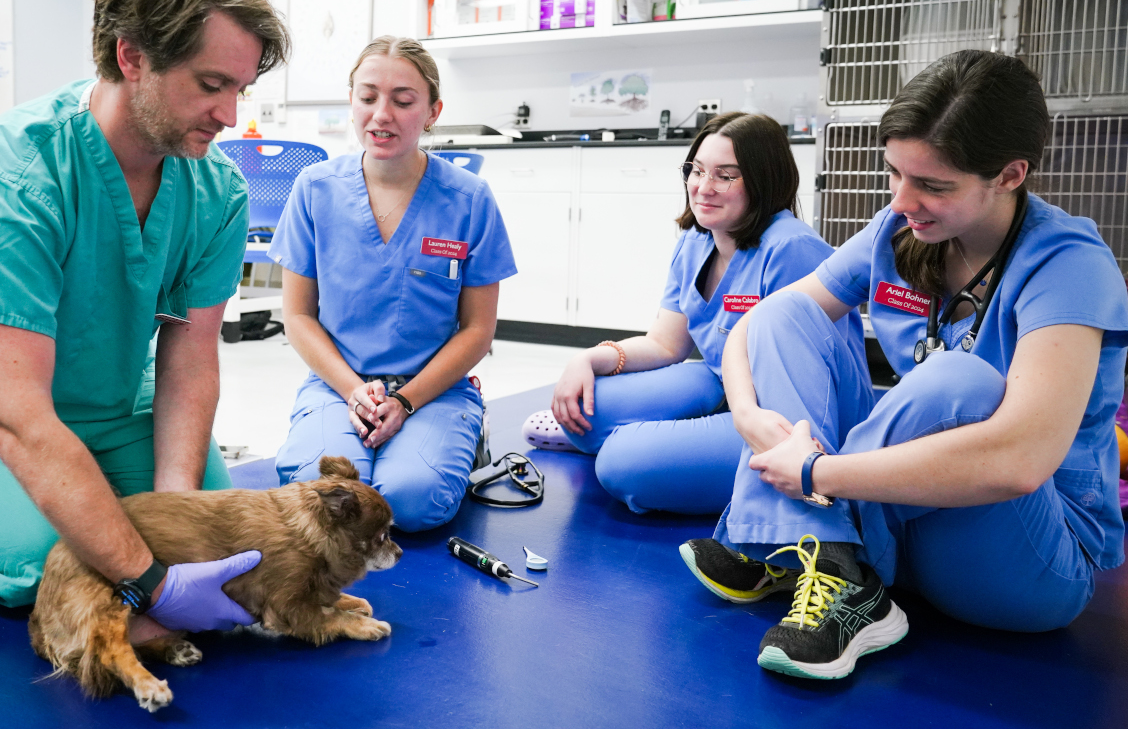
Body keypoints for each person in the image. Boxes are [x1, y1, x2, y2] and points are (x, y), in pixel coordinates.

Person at [0, 0, 290, 642]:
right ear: (131, 57)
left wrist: (178, 525)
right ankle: (3, 547)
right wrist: (153, 582)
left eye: (240, 89)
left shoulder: (216, 190)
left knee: (216, 540)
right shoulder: (3, 180)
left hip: (109, 401)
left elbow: (190, 357)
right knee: (57, 562)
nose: (229, 116)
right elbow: (15, 418)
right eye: (211, 84)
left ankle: (91, 522)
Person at [681, 50, 1128, 681]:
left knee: (958, 379)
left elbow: (1021, 461)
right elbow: (759, 323)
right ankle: (837, 565)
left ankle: (803, 541)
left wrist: (818, 471)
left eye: (934, 186)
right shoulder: (899, 227)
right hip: (904, 514)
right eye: (895, 174)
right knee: (786, 317)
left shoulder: (1069, 264)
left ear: (1009, 174)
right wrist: (748, 414)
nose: (904, 200)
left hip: (1023, 554)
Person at [520, 113, 864, 515]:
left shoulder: (791, 249)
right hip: (720, 379)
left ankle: (659, 446)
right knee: (585, 412)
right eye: (696, 170)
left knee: (620, 464)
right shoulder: (697, 240)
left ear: (764, 179)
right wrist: (588, 358)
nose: (703, 187)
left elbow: (812, 385)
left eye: (726, 175)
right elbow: (666, 343)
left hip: (784, 413)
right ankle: (663, 443)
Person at [269, 35, 516, 532]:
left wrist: (405, 402)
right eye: (367, 97)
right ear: (352, 102)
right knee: (329, 504)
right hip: (340, 385)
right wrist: (353, 391)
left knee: (411, 502)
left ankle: (464, 435)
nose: (382, 114)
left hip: (436, 389)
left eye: (403, 101)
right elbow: (296, 315)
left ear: (432, 111)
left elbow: (477, 330)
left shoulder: (468, 199)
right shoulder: (315, 190)